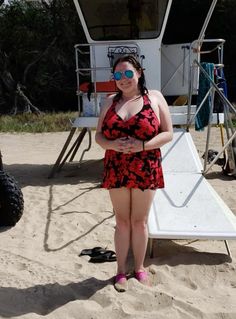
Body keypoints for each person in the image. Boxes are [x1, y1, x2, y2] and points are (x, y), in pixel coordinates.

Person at [95, 55, 173, 292]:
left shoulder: (155, 98)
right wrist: (112, 145)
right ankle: (120, 271)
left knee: (139, 222)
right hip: (116, 167)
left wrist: (142, 146)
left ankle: (138, 268)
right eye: (118, 75)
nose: (123, 79)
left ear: (139, 73)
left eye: (128, 73)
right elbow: (99, 136)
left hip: (146, 166)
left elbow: (168, 133)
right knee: (122, 221)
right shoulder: (109, 102)